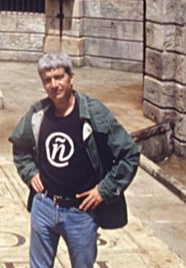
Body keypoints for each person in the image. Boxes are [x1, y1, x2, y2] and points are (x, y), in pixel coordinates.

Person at [9, 53, 140, 267]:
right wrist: (30, 172)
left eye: (59, 77)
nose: (54, 84)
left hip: (81, 212)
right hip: (44, 205)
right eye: (47, 80)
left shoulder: (93, 112)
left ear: (72, 78)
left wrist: (104, 190)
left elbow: (130, 154)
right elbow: (20, 147)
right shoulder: (38, 113)